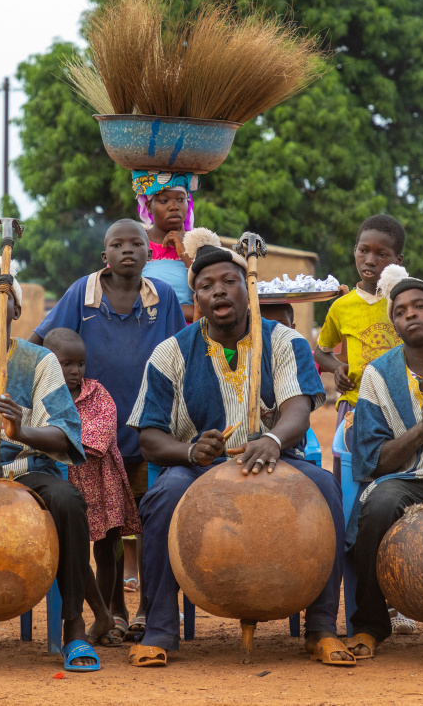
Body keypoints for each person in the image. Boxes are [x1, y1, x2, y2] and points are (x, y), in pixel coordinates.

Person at [127, 232, 352, 667]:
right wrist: (191, 451)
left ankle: (321, 628)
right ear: (196, 298)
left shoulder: (284, 342)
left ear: (247, 289)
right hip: (201, 469)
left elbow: (297, 412)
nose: (218, 291)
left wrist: (270, 439)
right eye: (206, 286)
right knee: (163, 497)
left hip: (277, 460)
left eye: (228, 281)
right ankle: (159, 630)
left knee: (326, 487)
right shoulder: (170, 352)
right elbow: (150, 438)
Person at [29, 218, 187, 639]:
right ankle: (114, 606)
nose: (127, 250)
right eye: (117, 244)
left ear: (149, 253)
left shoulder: (164, 297)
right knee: (109, 529)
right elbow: (42, 342)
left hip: (150, 431)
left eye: (136, 243)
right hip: (92, 437)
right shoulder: (83, 294)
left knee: (150, 524)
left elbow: (182, 352)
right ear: (105, 256)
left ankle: (149, 610)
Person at [0, 260, 100, 671]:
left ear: (17, 311)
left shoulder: (40, 361)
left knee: (68, 500)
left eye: (0, 296)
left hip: (22, 470)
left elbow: (65, 434)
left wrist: (21, 430)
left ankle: (74, 627)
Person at [346, 265, 423, 659]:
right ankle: (370, 624)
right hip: (407, 478)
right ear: (394, 324)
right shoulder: (378, 375)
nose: (409, 314)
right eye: (399, 311)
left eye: (419, 306)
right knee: (377, 505)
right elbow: (373, 461)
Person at [44, 327, 142, 645]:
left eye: (80, 364)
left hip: (103, 483)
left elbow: (100, 435)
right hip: (65, 483)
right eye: (66, 364)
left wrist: (55, 440)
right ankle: (99, 614)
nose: (75, 371)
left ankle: (109, 619)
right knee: (74, 549)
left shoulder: (96, 393)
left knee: (107, 550)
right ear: (48, 362)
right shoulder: (40, 395)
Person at [314, 216, 405, 481]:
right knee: (350, 470)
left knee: (394, 470)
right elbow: (321, 351)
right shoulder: (342, 307)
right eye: (363, 250)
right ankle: (347, 520)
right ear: (355, 250)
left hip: (399, 404)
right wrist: (337, 368)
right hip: (354, 404)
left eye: (382, 254)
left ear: (398, 260)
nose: (370, 260)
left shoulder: (402, 300)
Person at [132, 170, 200, 323]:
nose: (174, 206)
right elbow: (123, 296)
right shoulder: (135, 244)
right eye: (164, 201)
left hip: (191, 336)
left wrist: (185, 252)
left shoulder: (201, 244)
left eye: (181, 199)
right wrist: (189, 311)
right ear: (149, 206)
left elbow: (210, 293)